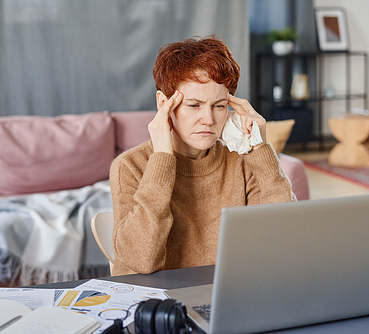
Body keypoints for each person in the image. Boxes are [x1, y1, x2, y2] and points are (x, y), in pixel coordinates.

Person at [109, 36, 295, 276]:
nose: (208, 119)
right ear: (164, 103)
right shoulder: (130, 166)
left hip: (228, 296)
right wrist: (163, 158)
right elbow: (141, 261)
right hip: (159, 303)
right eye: (194, 105)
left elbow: (283, 239)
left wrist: (259, 147)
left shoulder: (241, 160)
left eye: (219, 106)